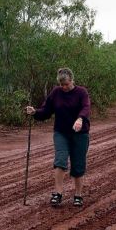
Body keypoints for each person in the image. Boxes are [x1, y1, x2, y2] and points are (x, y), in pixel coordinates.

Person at [25, 67, 90, 207]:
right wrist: (35, 112)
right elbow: (46, 111)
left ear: (72, 80)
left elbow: (86, 107)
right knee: (60, 160)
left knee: (78, 164)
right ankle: (58, 193)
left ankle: (78, 195)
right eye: (61, 84)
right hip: (61, 132)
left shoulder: (81, 92)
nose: (64, 87)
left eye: (66, 84)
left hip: (80, 134)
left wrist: (80, 118)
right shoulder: (56, 92)